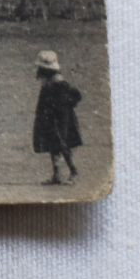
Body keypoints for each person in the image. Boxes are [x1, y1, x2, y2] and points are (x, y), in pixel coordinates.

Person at [33, 49, 82, 184]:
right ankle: (57, 175)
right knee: (54, 146)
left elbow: (76, 96)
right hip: (51, 119)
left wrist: (66, 107)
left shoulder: (58, 82)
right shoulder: (49, 81)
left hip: (61, 120)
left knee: (62, 145)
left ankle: (73, 171)